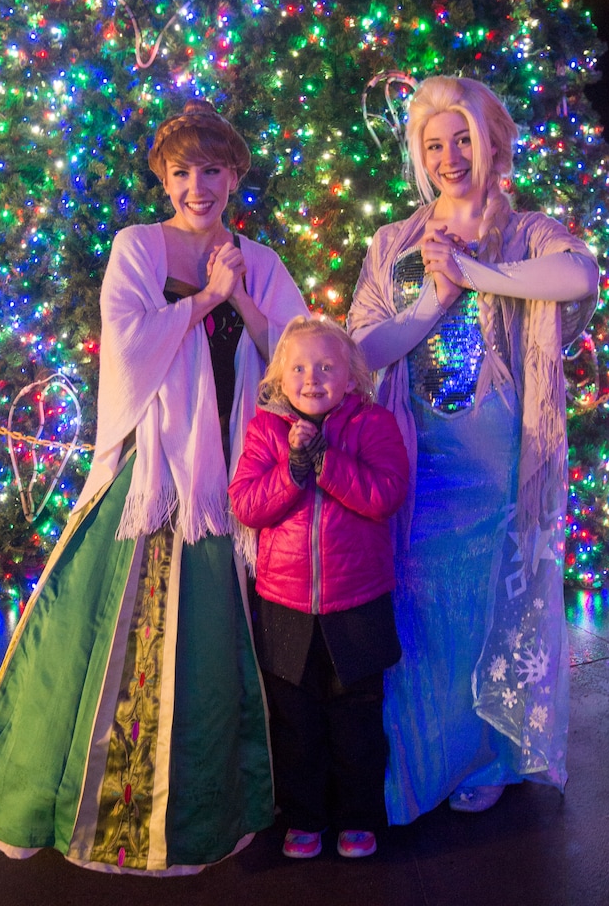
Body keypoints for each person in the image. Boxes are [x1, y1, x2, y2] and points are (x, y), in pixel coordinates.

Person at [0, 99, 309, 875]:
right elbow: (127, 343)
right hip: (155, 471)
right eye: (182, 172)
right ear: (164, 179)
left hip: (236, 474)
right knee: (101, 635)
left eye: (211, 169)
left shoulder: (265, 260)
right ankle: (88, 803)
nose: (197, 185)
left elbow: (297, 360)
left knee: (220, 647)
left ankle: (211, 805)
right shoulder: (139, 246)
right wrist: (208, 300)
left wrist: (238, 291)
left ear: (234, 173)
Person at [347, 75, 599, 822]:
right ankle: (425, 757)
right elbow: (364, 348)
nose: (451, 156)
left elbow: (579, 274)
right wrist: (434, 300)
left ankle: (485, 754)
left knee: (485, 606)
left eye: (464, 139)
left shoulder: (526, 232)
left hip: (496, 463)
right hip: (418, 458)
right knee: (423, 606)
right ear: (419, 156)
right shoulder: (394, 241)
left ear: (490, 142)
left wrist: (476, 272)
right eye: (434, 144)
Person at [228, 315, 409, 859]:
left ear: (351, 377)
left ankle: (359, 816)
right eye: (299, 367)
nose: (312, 378)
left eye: (327, 367)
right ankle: (304, 816)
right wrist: (294, 467)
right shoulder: (265, 431)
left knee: (357, 717)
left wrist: (325, 462)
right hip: (285, 604)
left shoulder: (373, 424)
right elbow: (247, 505)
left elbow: (384, 495)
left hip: (357, 601)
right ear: (280, 379)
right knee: (296, 720)